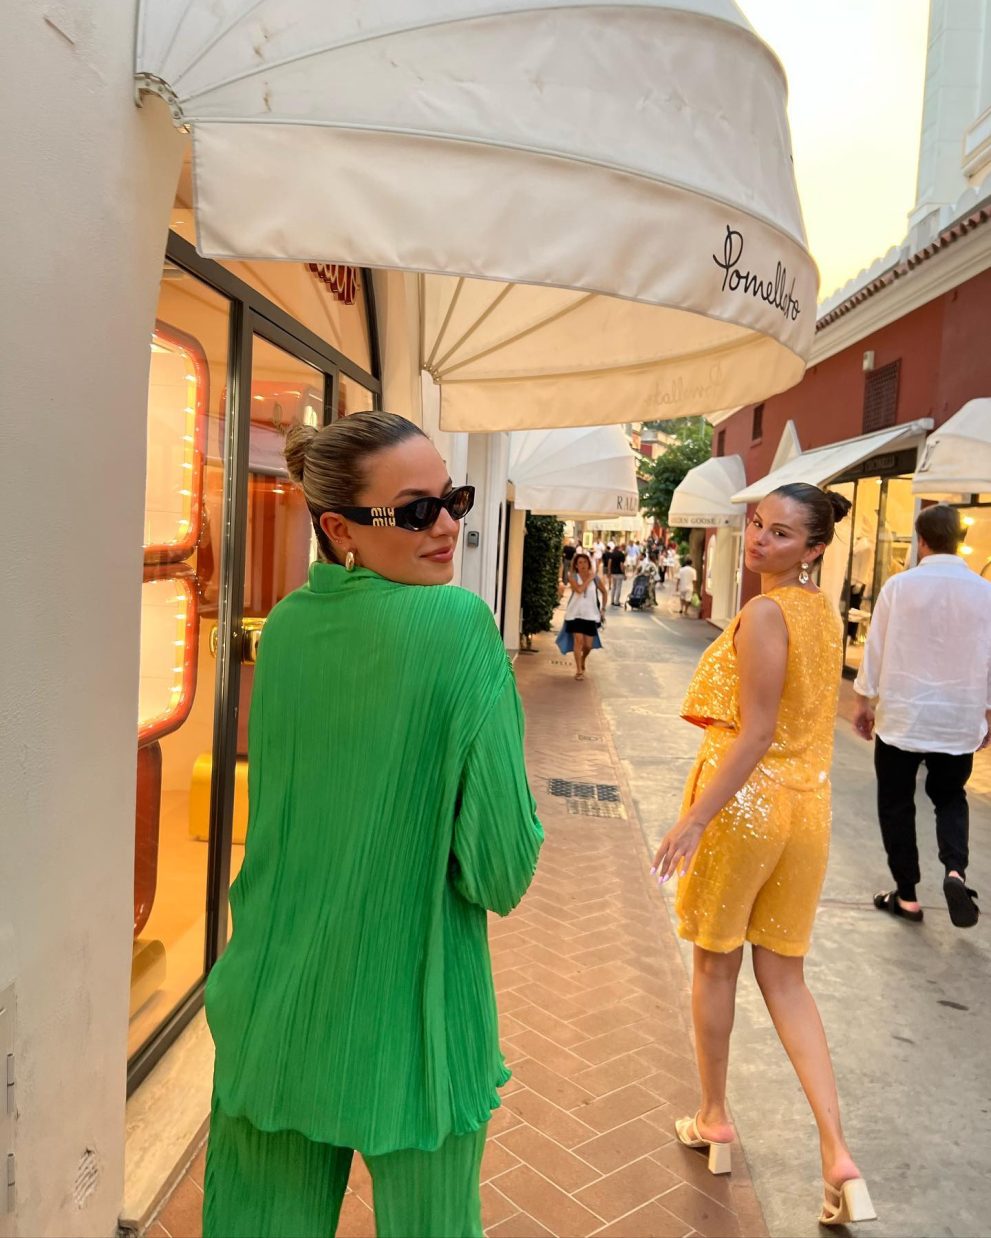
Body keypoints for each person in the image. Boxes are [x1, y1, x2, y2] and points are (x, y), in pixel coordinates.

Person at [202, 412, 544, 1238]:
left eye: (454, 500)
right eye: (417, 511)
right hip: (412, 1009)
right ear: (338, 529)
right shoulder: (458, 629)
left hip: (273, 997)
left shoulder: (286, 627)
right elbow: (501, 870)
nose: (448, 526)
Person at [651, 483, 875, 1228]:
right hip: (807, 811)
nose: (758, 540)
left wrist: (694, 819)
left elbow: (755, 732)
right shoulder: (822, 613)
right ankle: (837, 1155)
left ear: (814, 549)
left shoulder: (766, 613)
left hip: (746, 806)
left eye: (781, 534)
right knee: (785, 979)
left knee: (716, 964)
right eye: (756, 524)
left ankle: (713, 1116)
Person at [852, 503, 991, 928]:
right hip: (957, 717)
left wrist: (863, 700)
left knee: (896, 802)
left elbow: (875, 645)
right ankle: (955, 871)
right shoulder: (985, 592)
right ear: (960, 541)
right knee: (950, 796)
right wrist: (987, 713)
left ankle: (908, 896)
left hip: (903, 715)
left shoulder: (899, 586)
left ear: (921, 540)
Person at [560, 551, 607, 680]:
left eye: (585, 562)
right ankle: (579, 671)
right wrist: (589, 579)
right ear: (576, 565)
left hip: (591, 615)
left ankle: (583, 659)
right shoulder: (573, 577)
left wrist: (603, 609)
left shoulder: (596, 579)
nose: (583, 565)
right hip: (575, 614)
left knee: (588, 646)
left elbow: (604, 592)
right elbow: (579, 590)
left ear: (589, 564)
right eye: (580, 563)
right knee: (578, 641)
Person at [607, 542, 627, 606]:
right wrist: (624, 574)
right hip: (619, 573)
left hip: (613, 573)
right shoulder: (622, 555)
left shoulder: (612, 554)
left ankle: (612, 601)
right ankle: (616, 602)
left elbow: (609, 563)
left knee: (614, 587)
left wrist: (609, 571)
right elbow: (621, 565)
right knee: (618, 587)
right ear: (623, 547)